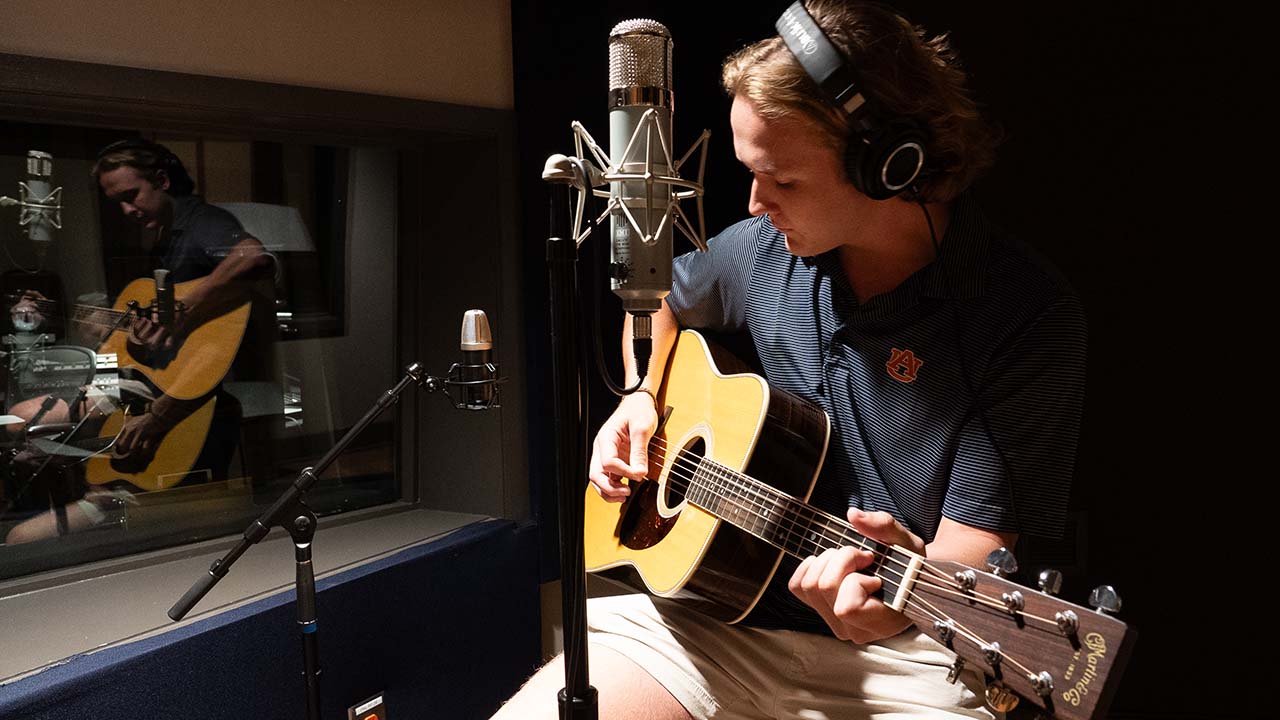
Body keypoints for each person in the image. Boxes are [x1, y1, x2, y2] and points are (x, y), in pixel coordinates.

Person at [495, 1, 1085, 718]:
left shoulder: (1023, 314)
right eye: (749, 173)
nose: (751, 205)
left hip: (914, 655)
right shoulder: (765, 248)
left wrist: (894, 599)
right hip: (717, 629)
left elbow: (974, 545)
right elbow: (654, 300)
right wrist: (642, 397)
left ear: (888, 167)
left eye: (783, 181)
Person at [1, 138, 275, 543]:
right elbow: (153, 340)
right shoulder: (162, 241)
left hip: (171, 401)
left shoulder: (200, 222)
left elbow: (253, 257)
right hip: (141, 386)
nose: (126, 210)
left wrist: (185, 308)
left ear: (162, 180)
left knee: (20, 535)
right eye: (117, 202)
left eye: (132, 195)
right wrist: (107, 332)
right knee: (20, 421)